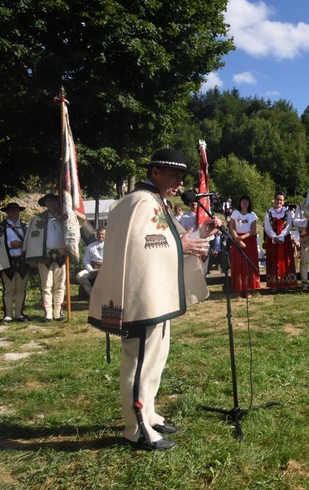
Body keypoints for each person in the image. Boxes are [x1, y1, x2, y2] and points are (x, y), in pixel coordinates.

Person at [88, 148, 222, 451]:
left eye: (182, 176)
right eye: (173, 174)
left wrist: (199, 232)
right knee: (139, 362)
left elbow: (166, 240)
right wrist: (182, 244)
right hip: (138, 299)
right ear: (155, 172)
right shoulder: (139, 203)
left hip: (153, 297)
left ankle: (147, 412)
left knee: (154, 359)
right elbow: (139, 247)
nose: (179, 181)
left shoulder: (154, 202)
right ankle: (136, 428)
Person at [24, 193, 67, 322]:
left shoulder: (65, 218)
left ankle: (58, 312)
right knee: (46, 284)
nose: (52, 203)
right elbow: (32, 239)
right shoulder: (38, 220)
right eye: (48, 201)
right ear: (45, 204)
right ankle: (48, 312)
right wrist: (38, 255)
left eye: (53, 201)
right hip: (45, 254)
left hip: (61, 253)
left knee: (60, 285)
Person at [0, 202, 30, 322]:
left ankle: (19, 314)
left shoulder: (25, 227)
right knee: (8, 289)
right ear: (7, 212)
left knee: (21, 289)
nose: (14, 213)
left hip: (22, 262)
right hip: (7, 261)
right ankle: (8, 314)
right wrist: (10, 245)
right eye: (12, 211)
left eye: (16, 211)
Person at [229, 195, 261, 298]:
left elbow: (253, 230)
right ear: (240, 202)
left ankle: (247, 289)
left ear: (249, 203)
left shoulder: (252, 215)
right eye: (243, 201)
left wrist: (242, 237)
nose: (244, 203)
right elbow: (232, 227)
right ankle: (239, 289)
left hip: (249, 241)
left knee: (247, 264)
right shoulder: (235, 213)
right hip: (237, 239)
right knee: (238, 264)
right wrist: (237, 238)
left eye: (246, 201)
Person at [263, 191, 296, 290]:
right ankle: (274, 284)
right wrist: (274, 237)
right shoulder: (268, 212)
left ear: (284, 201)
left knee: (285, 260)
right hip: (273, 240)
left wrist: (281, 236)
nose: (279, 201)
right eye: (277, 199)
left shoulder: (287, 212)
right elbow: (267, 227)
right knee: (273, 259)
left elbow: (289, 226)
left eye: (281, 200)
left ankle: (285, 283)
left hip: (284, 240)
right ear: (274, 200)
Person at [76, 227, 105, 299]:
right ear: (96, 235)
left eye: (102, 234)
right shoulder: (90, 246)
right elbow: (86, 261)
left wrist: (101, 270)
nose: (100, 236)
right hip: (92, 270)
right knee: (79, 275)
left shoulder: (109, 246)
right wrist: (91, 271)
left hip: (104, 270)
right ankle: (93, 296)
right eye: (99, 234)